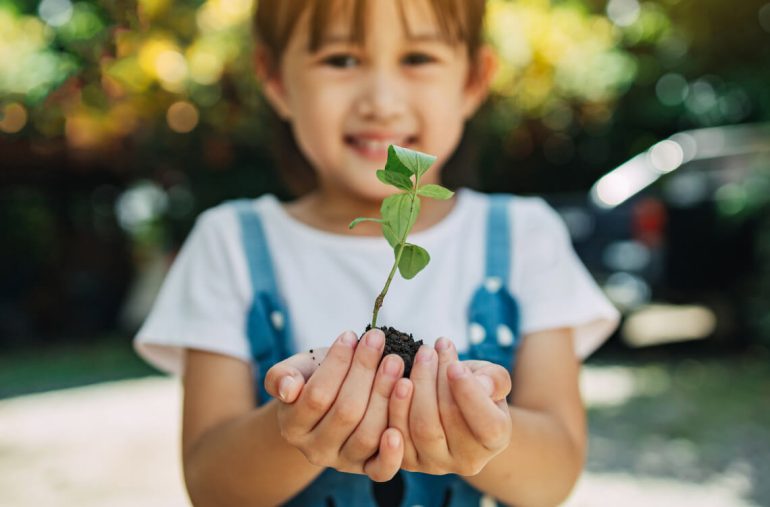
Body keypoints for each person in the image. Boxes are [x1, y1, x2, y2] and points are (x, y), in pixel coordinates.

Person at [134, 0, 620, 505]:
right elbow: (213, 487)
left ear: (474, 80)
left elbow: (555, 475)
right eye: (342, 59)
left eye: (417, 59)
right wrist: (298, 422)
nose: (382, 102)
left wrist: (479, 425)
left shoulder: (524, 235)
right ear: (276, 80)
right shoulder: (229, 243)